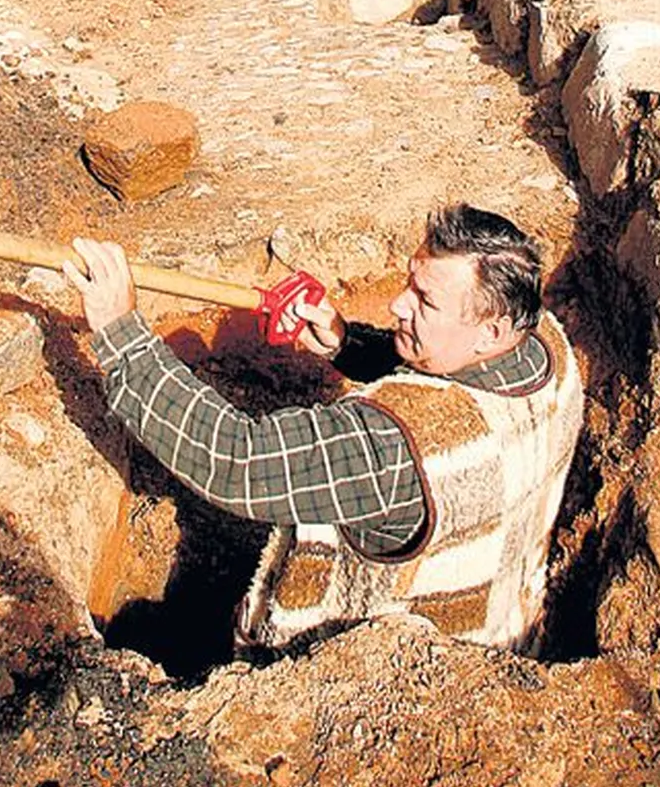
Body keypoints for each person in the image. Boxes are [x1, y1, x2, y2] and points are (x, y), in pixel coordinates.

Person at [64, 205, 583, 654]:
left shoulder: (396, 451)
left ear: (491, 328)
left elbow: (238, 462)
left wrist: (123, 335)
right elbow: (457, 377)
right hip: (504, 633)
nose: (398, 304)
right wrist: (345, 344)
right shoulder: (545, 346)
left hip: (384, 680)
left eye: (424, 301)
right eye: (408, 284)